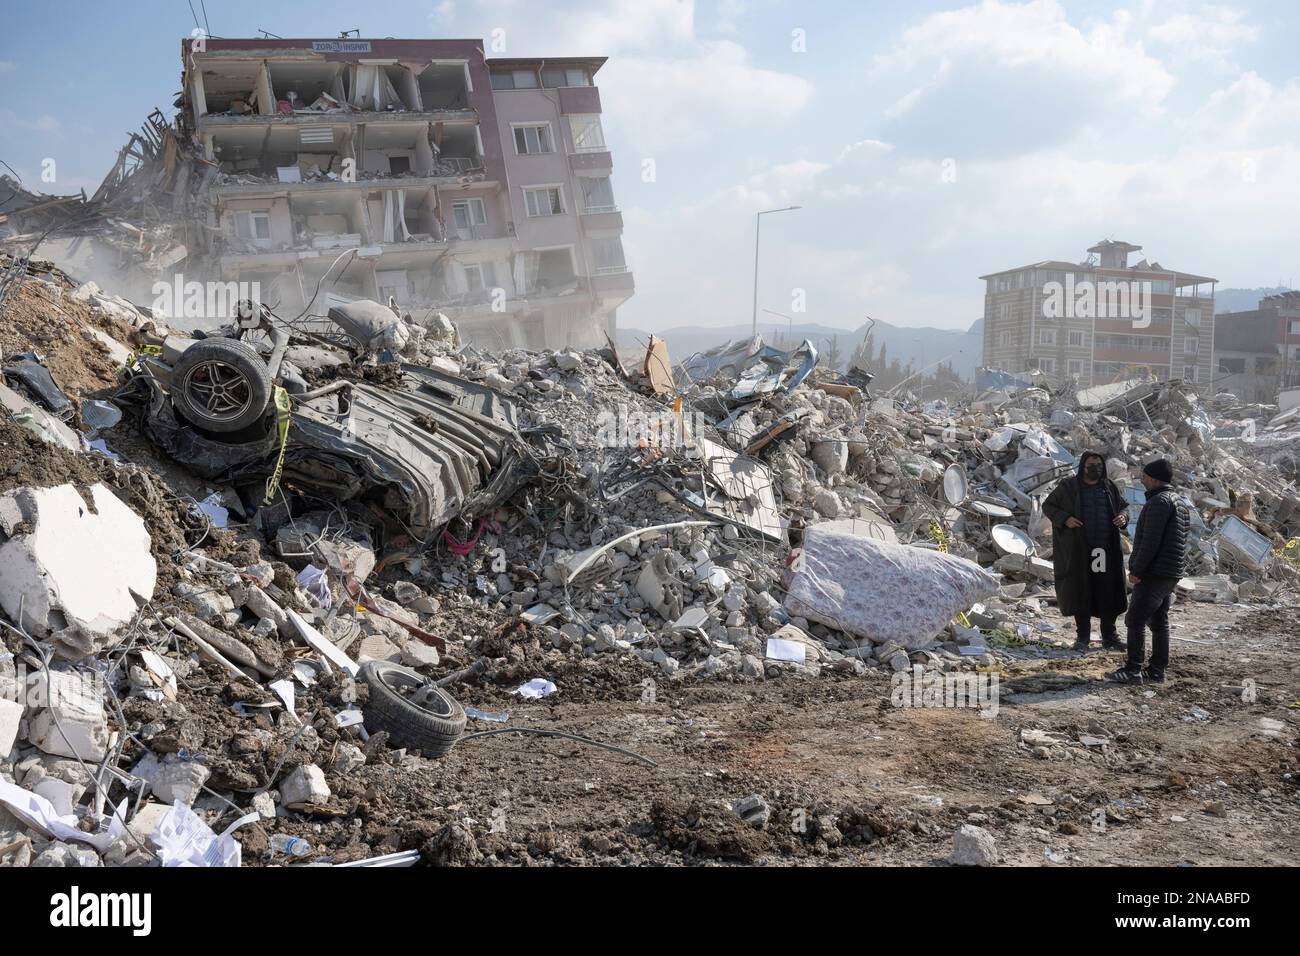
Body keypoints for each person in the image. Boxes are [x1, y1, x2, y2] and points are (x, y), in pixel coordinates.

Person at [1108, 458, 1189, 684]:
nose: (1141, 479)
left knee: (1135, 620)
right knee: (1158, 620)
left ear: (1153, 478)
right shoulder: (1179, 502)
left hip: (1154, 573)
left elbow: (1150, 542)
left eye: (1144, 476)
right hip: (1170, 573)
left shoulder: (1158, 503)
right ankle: (1156, 670)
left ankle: (1133, 670)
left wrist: (1137, 570)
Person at [1043, 451, 1130, 651]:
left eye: (1099, 465)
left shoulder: (1108, 487)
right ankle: (1083, 637)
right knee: (1081, 591)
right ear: (1083, 466)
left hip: (1104, 552)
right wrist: (1065, 518)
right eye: (1092, 465)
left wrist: (1123, 517)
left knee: (1106, 590)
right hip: (1079, 552)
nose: (1096, 469)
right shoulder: (1069, 486)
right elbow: (1049, 506)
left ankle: (1110, 636)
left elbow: (1125, 507)